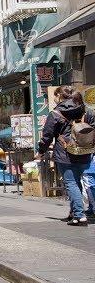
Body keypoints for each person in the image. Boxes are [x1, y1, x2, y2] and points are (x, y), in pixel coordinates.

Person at [36, 85, 95, 226]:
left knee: (71, 183)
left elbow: (47, 136)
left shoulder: (56, 113)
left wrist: (41, 152)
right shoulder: (87, 112)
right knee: (76, 182)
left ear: (61, 97)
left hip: (65, 153)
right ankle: (74, 212)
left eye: (56, 95)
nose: (55, 99)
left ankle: (80, 216)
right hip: (85, 153)